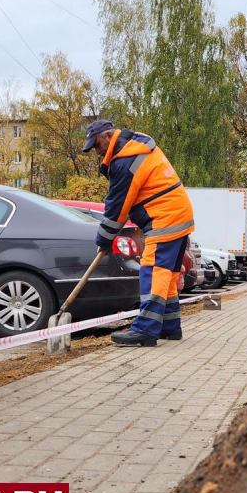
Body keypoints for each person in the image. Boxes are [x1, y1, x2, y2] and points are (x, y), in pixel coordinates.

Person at [82, 119, 195, 347]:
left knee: (152, 272)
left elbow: (117, 206)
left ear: (107, 136)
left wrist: (103, 239)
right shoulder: (137, 143)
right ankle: (169, 327)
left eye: (96, 145)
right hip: (177, 214)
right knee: (168, 275)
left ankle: (145, 330)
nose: (97, 151)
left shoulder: (125, 160)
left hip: (164, 218)